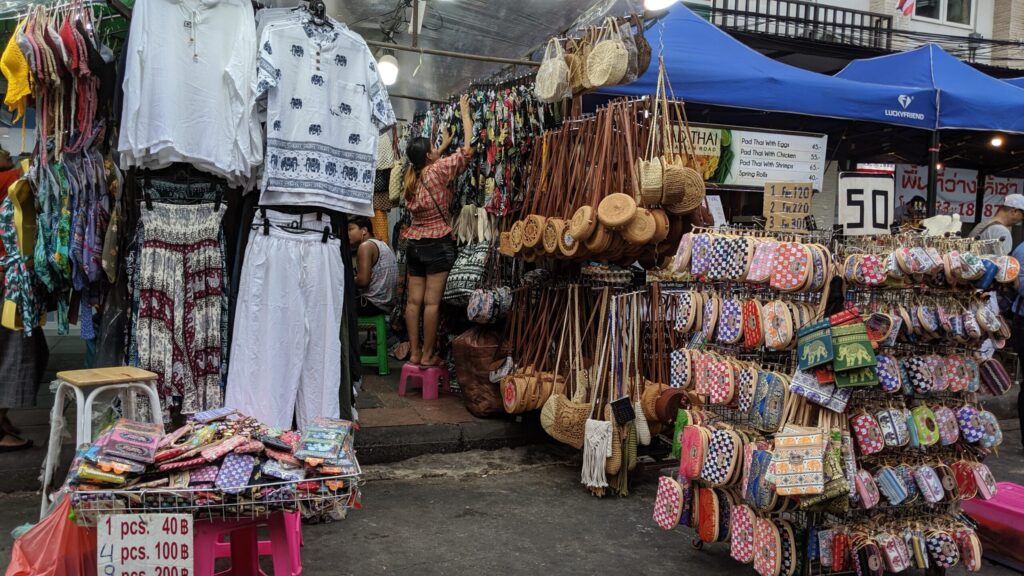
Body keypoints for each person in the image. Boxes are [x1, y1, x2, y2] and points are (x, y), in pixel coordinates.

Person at [401, 94, 474, 367]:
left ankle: (415, 352)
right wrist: (465, 115)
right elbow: (466, 151)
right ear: (430, 156)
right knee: (432, 304)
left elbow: (430, 166)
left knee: (413, 303)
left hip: (415, 246)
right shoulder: (438, 171)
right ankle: (430, 355)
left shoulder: (411, 180)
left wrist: (440, 146)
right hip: (438, 244)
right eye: (433, 148)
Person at [0, 144, 38, 452]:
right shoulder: (8, 179)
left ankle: (2, 420)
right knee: (12, 351)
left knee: (21, 349)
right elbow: (26, 174)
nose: (7, 152)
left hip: (9, 279)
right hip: (5, 281)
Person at [347, 216, 397, 317]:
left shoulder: (365, 246)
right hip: (386, 303)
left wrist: (345, 279)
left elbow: (363, 281)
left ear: (364, 230)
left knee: (332, 302)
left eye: (350, 229)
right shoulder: (381, 243)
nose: (347, 234)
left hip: (372, 304)